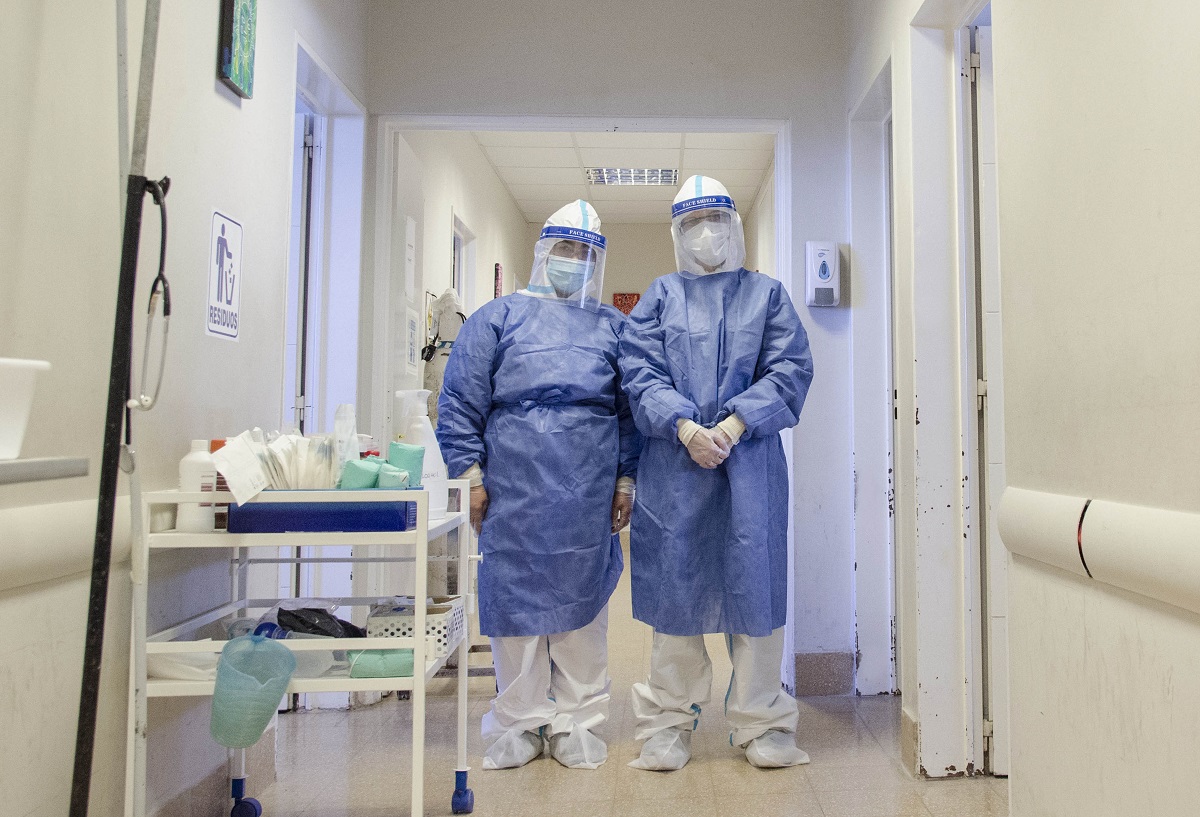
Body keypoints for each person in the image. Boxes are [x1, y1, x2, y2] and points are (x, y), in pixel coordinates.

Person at [618, 175, 815, 770]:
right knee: (676, 602)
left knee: (754, 597)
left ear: (735, 226)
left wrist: (731, 427)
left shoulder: (769, 295)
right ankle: (668, 726)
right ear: (678, 234)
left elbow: (790, 368)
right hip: (675, 471)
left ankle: (763, 725)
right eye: (692, 223)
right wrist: (684, 427)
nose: (706, 233)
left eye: (716, 219)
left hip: (748, 467)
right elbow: (639, 369)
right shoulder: (659, 296)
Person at [436, 200, 639, 770]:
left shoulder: (613, 328)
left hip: (586, 488)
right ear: (544, 252)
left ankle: (577, 721)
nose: (574, 260)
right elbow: (459, 403)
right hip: (513, 487)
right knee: (517, 609)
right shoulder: (496, 320)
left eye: (585, 252)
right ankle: (520, 722)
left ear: (597, 261)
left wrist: (626, 480)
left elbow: (629, 414)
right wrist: (470, 475)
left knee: (582, 611)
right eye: (565, 249)